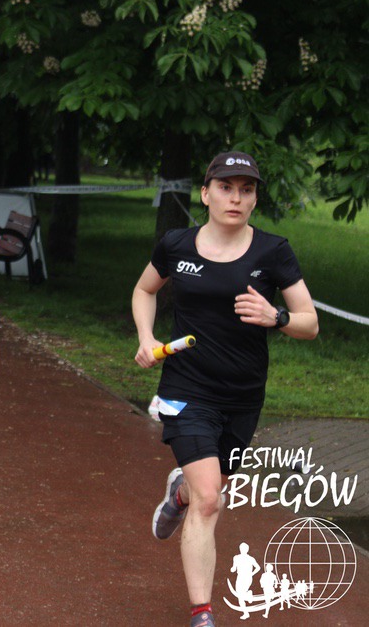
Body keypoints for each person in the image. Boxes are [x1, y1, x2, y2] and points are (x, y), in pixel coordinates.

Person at [132, 151, 319, 627]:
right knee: (211, 499)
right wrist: (147, 338)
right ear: (206, 193)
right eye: (226, 187)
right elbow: (145, 290)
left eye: (246, 189)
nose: (236, 198)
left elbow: (310, 322)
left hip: (243, 396)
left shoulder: (273, 252)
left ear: (254, 199)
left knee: (207, 490)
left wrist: (276, 316)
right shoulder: (177, 244)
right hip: (185, 387)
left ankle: (179, 495)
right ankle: (202, 614)